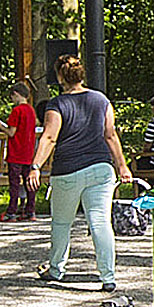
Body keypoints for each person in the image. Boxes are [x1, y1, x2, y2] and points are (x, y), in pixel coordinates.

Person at [34, 55, 123, 290]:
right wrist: (122, 166)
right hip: (101, 169)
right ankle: (108, 277)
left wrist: (35, 166)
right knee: (101, 223)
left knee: (62, 223)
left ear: (60, 77)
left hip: (68, 170)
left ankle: (56, 269)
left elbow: (50, 137)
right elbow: (110, 135)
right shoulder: (101, 100)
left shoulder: (57, 104)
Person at [1, 83, 41, 220]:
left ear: (16, 94)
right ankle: (31, 211)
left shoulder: (16, 111)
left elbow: (11, 132)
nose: (12, 99)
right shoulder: (31, 110)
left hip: (15, 153)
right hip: (28, 153)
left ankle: (11, 211)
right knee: (29, 183)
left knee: (14, 184)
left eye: (12, 97)